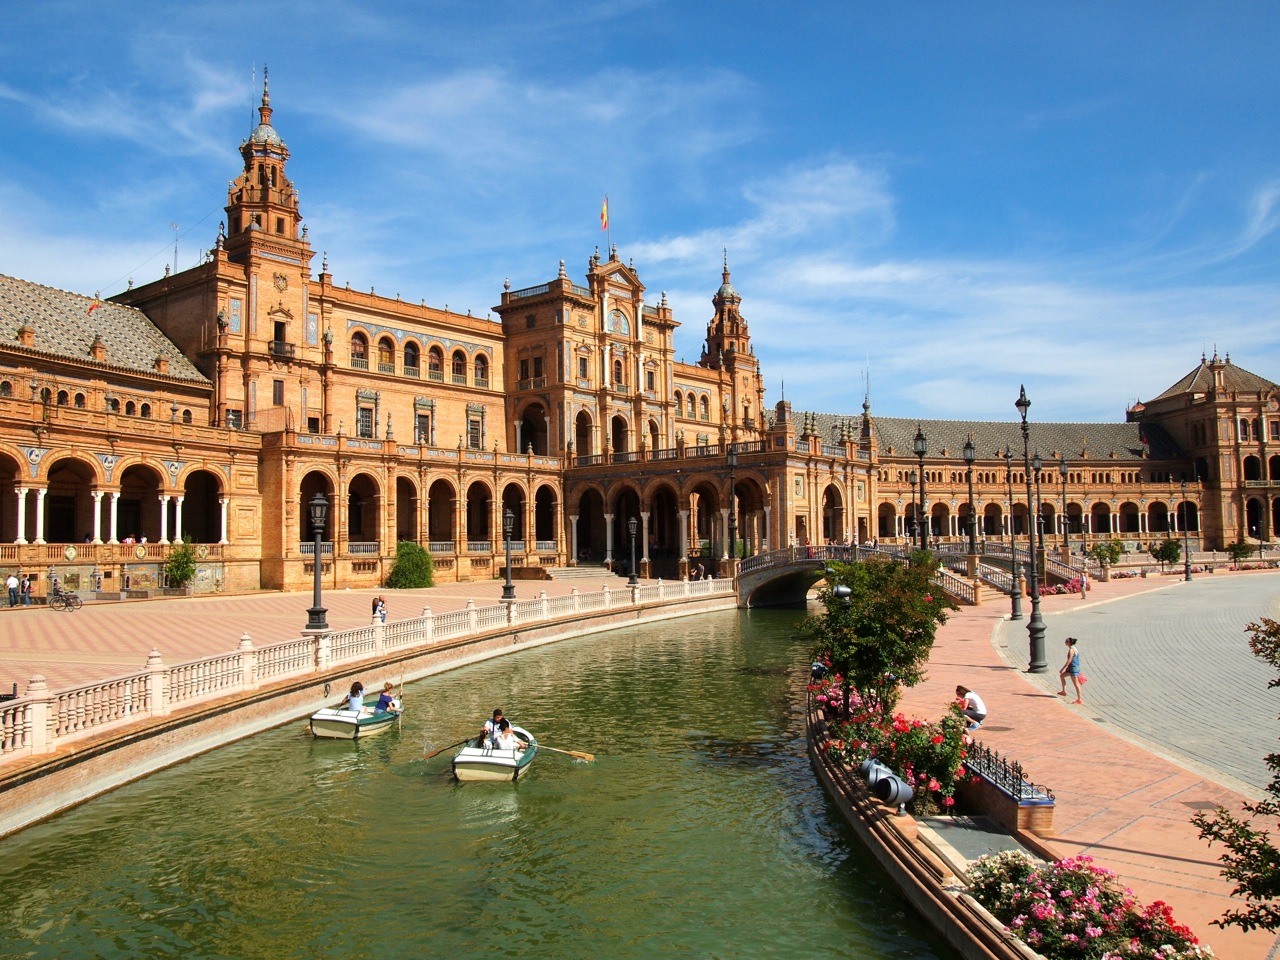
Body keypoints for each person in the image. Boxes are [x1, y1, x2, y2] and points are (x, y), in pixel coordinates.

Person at [1058, 637, 1083, 703]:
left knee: (1076, 684)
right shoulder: (1074, 648)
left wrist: (1062, 669)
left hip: (1073, 668)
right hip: (1072, 668)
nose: (1065, 642)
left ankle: (1079, 699)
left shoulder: (1071, 650)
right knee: (1062, 676)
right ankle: (1064, 691)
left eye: (1066, 641)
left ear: (1069, 643)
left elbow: (1069, 661)